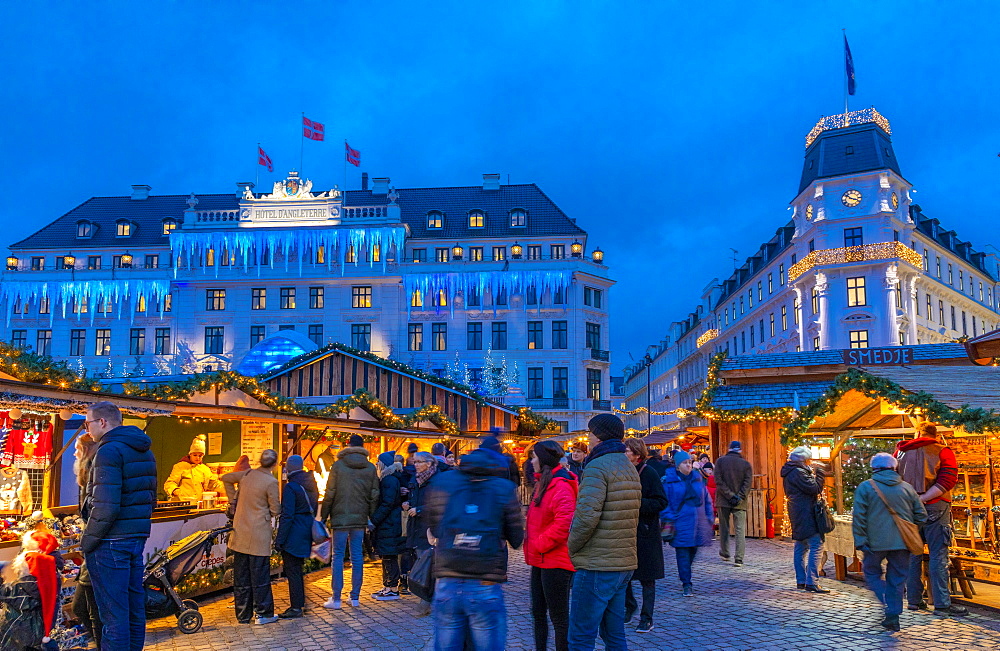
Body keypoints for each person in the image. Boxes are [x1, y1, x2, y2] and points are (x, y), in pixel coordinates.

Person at [423, 446, 525, 651]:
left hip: (448, 576)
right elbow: (516, 538)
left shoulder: (444, 482)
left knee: (446, 643)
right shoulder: (502, 488)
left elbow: (434, 527)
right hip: (484, 578)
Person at [80, 400, 157, 650]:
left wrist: (88, 541)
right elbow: (150, 498)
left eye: (88, 423)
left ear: (102, 422)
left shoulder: (109, 451)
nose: (87, 429)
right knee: (134, 607)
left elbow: (105, 505)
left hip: (110, 541)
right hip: (135, 537)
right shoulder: (144, 449)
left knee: (113, 615)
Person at [566, 414, 640, 651]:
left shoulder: (597, 466)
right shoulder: (627, 465)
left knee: (581, 637)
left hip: (598, 561)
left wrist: (571, 546)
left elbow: (587, 517)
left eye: (589, 433)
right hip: (622, 561)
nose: (587, 438)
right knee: (614, 635)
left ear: (598, 435)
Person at [895, 422, 968, 616]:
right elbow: (948, 479)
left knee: (912, 555)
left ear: (917, 433)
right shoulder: (943, 451)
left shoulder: (900, 452)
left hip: (908, 508)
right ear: (935, 435)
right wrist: (924, 498)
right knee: (938, 556)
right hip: (935, 506)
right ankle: (942, 604)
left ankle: (913, 600)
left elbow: (891, 481)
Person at [852, 453, 928, 632]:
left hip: (874, 542)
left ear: (874, 468)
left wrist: (861, 540)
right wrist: (908, 528)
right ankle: (893, 613)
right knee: (898, 578)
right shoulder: (907, 488)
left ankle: (885, 599)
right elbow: (921, 515)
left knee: (871, 573)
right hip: (903, 542)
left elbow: (859, 516)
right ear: (894, 468)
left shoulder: (866, 487)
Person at [525, 440, 577, 651]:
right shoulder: (544, 483)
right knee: (538, 612)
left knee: (559, 617)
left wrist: (540, 543)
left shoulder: (561, 485)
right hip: (541, 558)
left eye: (534, 457)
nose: (531, 461)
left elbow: (565, 521)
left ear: (544, 460)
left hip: (555, 560)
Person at [320, 434, 379, 609]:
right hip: (360, 518)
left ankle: (336, 598)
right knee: (357, 557)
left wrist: (324, 516)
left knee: (338, 556)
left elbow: (330, 492)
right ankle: (355, 597)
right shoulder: (370, 467)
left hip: (340, 516)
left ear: (348, 445)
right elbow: (374, 494)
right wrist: (370, 516)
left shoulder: (338, 466)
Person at [223, 449, 281, 625]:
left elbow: (226, 478)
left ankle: (242, 615)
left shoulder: (247, 474)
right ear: (275, 464)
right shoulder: (271, 482)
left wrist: (234, 499)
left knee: (241, 575)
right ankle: (263, 613)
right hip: (258, 534)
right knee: (260, 575)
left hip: (240, 530)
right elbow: (276, 509)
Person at [622, 438, 668, 633]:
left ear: (637, 455)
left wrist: (637, 504)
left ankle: (647, 617)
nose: (624, 454)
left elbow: (661, 501)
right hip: (625, 531)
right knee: (624, 576)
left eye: (627, 451)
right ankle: (630, 606)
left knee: (647, 579)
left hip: (646, 532)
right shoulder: (621, 472)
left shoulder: (649, 473)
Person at [661, 449, 714, 597]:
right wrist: (670, 517)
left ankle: (685, 574)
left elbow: (707, 499)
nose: (688, 465)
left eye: (690, 462)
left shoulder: (697, 480)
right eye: (685, 463)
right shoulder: (669, 482)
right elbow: (665, 503)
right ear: (678, 466)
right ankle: (686, 583)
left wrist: (709, 517)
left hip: (698, 523)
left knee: (692, 553)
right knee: (683, 554)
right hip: (680, 524)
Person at [0, 530, 61, 649]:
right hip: (39, 630)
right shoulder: (51, 580)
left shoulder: (22, 587)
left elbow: (2, 592)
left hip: (17, 630)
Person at [274, 454, 318, 619]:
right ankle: (299, 603)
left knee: (292, 570)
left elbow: (287, 515)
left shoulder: (291, 487)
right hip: (306, 529)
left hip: (294, 532)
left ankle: (296, 606)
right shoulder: (311, 483)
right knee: (297, 569)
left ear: (289, 468)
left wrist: (280, 540)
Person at [781, 446, 829, 593]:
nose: (811, 462)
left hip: (797, 511)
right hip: (806, 512)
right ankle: (812, 582)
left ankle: (801, 580)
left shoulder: (790, 470)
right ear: (803, 460)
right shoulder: (799, 472)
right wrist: (820, 473)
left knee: (801, 546)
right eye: (809, 459)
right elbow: (814, 488)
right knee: (816, 544)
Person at [71, 432, 102, 648]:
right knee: (83, 607)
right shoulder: (87, 475)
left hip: (97, 549)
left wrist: (88, 541)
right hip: (91, 548)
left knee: (91, 608)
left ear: (87, 450)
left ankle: (103, 645)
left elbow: (100, 512)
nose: (74, 452)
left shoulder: (96, 473)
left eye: (77, 448)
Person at [402, 451, 439, 613]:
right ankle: (427, 599)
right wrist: (408, 503)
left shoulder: (436, 481)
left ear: (429, 464)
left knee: (427, 564)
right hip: (416, 527)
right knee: (421, 561)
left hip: (429, 528)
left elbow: (438, 504)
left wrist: (420, 510)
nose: (415, 464)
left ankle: (427, 601)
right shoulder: (415, 480)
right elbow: (413, 498)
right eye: (414, 461)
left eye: (419, 462)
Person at [370, 451, 406, 601]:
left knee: (389, 555)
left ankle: (392, 588)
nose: (377, 465)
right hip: (389, 521)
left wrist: (375, 520)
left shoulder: (389, 480)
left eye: (379, 462)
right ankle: (387, 586)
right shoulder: (388, 479)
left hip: (389, 522)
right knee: (386, 555)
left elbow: (387, 503)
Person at [713, 440, 753, 566]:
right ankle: (739, 558)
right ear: (740, 450)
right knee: (740, 530)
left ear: (729, 448)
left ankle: (725, 553)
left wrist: (729, 495)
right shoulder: (746, 464)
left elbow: (718, 481)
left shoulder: (720, 461)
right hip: (740, 502)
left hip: (723, 500)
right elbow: (747, 484)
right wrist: (738, 497)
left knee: (724, 528)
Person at [163, 434, 221, 502]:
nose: (197, 457)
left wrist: (230, 487)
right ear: (190, 454)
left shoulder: (205, 469)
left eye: (200, 455)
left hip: (198, 504)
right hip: (181, 503)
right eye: (195, 455)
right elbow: (169, 483)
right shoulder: (180, 466)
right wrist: (175, 490)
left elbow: (214, 484)